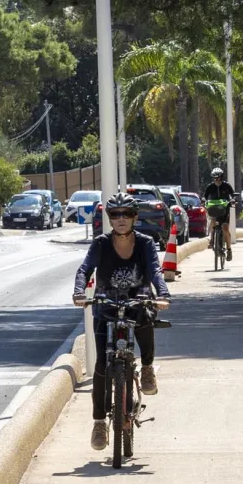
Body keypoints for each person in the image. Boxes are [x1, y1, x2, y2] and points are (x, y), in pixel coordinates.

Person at [73, 192, 171, 450]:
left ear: (135, 217)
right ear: (109, 219)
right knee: (102, 366)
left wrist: (162, 294)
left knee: (146, 320)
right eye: (115, 215)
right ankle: (98, 422)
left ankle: (147, 367)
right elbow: (85, 269)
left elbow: (155, 270)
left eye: (126, 214)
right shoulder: (100, 244)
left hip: (136, 300)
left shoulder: (146, 243)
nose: (121, 220)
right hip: (106, 304)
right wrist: (80, 292)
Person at [201, 167, 235, 260]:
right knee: (212, 221)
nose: (216, 179)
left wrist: (232, 200)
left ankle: (229, 250)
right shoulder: (210, 187)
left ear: (221, 177)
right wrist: (203, 200)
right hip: (214, 209)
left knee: (225, 228)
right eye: (214, 177)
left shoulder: (226, 186)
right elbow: (205, 196)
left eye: (218, 177)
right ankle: (212, 240)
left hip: (225, 210)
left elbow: (233, 195)